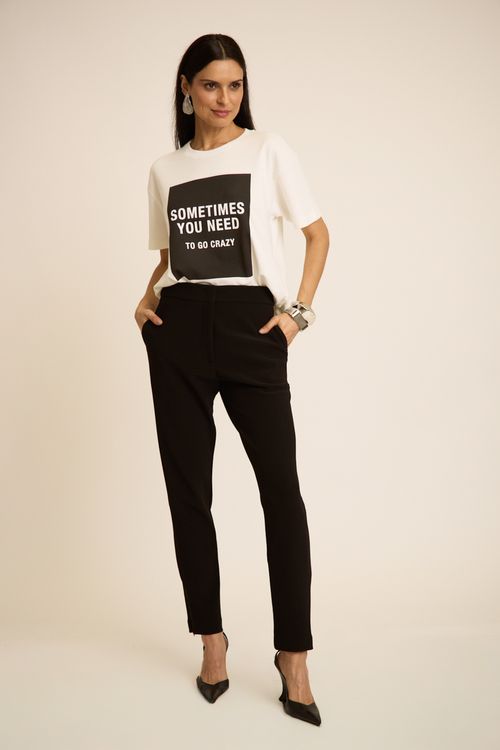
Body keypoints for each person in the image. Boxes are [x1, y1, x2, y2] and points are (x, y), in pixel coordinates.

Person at [134, 33, 330, 726]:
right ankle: (211, 641)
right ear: (187, 89)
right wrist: (146, 297)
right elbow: (172, 255)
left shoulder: (268, 150)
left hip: (253, 325)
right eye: (212, 85)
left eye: (236, 85)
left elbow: (317, 234)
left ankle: (293, 654)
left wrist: (297, 315)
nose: (225, 98)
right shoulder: (166, 168)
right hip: (179, 326)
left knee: (283, 493)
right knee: (188, 491)